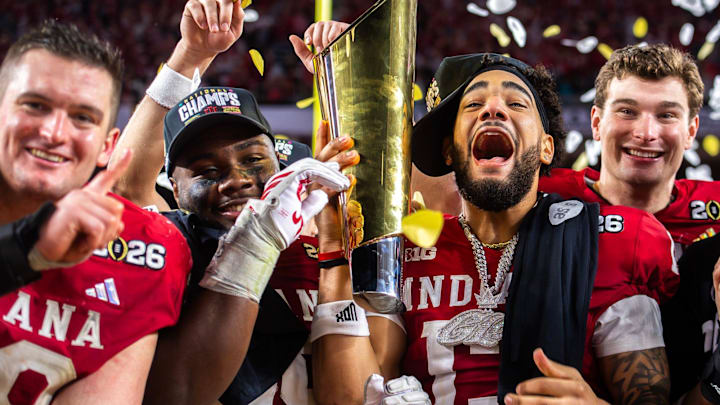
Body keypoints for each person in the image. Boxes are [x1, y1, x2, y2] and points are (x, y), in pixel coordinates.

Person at [310, 53, 679, 405]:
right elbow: (348, 397)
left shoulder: (612, 240)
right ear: (450, 151)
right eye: (472, 105)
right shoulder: (404, 253)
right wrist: (333, 251)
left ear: (547, 147)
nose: (493, 108)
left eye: (517, 104)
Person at [108, 6, 405, 405]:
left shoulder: (343, 252)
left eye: (253, 161)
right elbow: (125, 184)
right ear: (173, 192)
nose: (237, 180)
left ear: (283, 168)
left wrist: (351, 83)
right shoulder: (174, 250)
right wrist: (191, 54)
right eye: (206, 171)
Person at [0, 20, 193, 404]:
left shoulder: (142, 248)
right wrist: (27, 251)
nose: (55, 132)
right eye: (35, 105)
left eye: (82, 117)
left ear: (108, 147)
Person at [538, 44, 717, 251]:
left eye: (667, 115)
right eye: (627, 111)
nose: (646, 133)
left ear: (691, 132)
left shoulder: (715, 207)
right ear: (596, 123)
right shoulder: (537, 198)